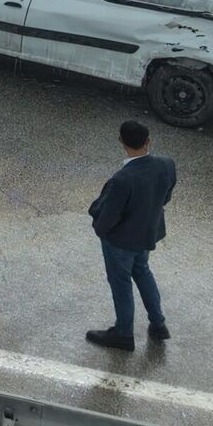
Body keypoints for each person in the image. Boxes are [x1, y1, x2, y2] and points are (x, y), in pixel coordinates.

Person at [85, 119, 177, 353]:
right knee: (142, 271)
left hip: (121, 241)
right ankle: (158, 324)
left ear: (121, 142)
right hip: (146, 234)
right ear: (149, 141)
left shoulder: (122, 179)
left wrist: (101, 230)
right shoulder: (166, 165)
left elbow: (108, 216)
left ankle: (124, 333)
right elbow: (165, 196)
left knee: (121, 283)